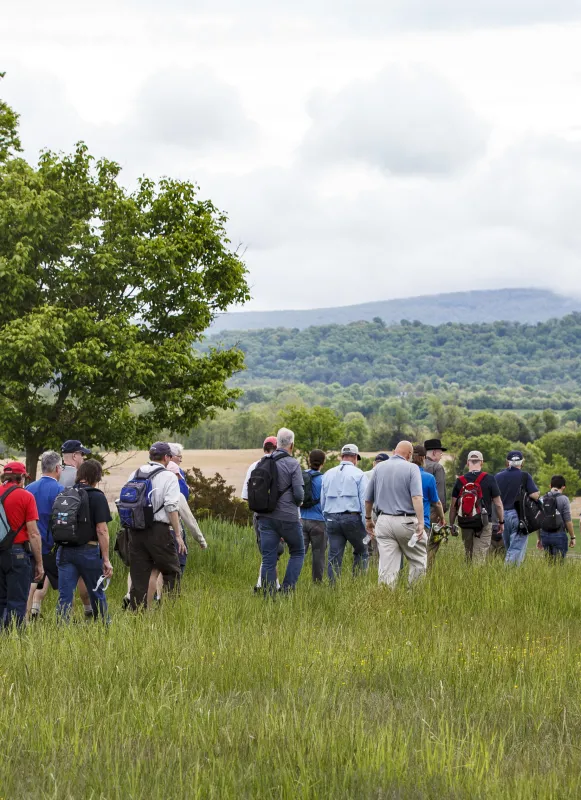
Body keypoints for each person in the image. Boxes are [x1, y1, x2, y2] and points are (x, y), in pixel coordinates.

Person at [128, 442, 185, 609]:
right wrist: (178, 534)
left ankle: (137, 614)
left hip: (135, 530)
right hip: (158, 530)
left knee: (139, 575)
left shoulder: (135, 473)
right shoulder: (169, 476)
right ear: (167, 457)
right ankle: (169, 610)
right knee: (171, 570)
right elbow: (171, 507)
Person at [56, 459, 113, 621]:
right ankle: (104, 626)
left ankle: (61, 630)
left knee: (65, 596)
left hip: (64, 550)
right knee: (97, 592)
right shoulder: (97, 496)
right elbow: (101, 530)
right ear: (96, 477)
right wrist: (106, 559)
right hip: (88, 551)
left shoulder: (66, 492)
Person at [365, 441, 425, 588]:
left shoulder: (379, 468)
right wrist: (421, 522)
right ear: (410, 454)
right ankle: (414, 595)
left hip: (383, 520)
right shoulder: (412, 468)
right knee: (418, 559)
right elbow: (416, 497)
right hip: (406, 520)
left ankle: (386, 596)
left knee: (387, 565)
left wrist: (368, 519)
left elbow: (368, 498)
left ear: (394, 451)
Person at [255, 428, 305, 593]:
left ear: (277, 442)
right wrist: (300, 501)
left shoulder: (264, 461)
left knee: (268, 558)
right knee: (297, 551)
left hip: (264, 516)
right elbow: (298, 493)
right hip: (287, 516)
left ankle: (268, 594)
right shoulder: (293, 464)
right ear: (292, 444)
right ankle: (287, 590)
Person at [0, 462, 43, 629]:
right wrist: (39, 563)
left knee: (1, 599)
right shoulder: (26, 496)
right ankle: (14, 637)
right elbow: (33, 533)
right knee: (17, 600)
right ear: (22, 477)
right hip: (17, 553)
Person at [25, 451, 65, 619]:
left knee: (31, 581)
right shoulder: (61, 490)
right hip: (51, 544)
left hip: (28, 543)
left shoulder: (28, 489)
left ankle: (28, 614)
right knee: (40, 580)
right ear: (57, 468)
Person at [321, 444, 369, 583]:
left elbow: (322, 501)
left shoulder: (328, 474)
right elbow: (364, 501)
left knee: (334, 555)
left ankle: (333, 588)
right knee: (362, 550)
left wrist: (327, 520)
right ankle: (357, 584)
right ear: (355, 457)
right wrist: (367, 525)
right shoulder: (359, 474)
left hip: (331, 518)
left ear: (342, 457)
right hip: (352, 518)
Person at [242, 436, 284, 591]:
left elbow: (246, 496)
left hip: (258, 515)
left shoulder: (255, 466)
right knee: (273, 553)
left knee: (267, 552)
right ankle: (267, 585)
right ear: (277, 448)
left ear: (264, 448)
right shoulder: (280, 465)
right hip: (278, 514)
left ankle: (265, 584)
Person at [449, 450, 504, 563]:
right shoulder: (489, 479)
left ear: (468, 463)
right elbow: (498, 504)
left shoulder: (460, 481)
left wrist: (451, 524)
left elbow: (453, 506)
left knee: (468, 553)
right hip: (484, 522)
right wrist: (501, 522)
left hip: (465, 521)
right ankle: (476, 578)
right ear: (482, 462)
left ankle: (467, 578)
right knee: (480, 555)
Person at [60, 439, 94, 616]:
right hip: (78, 533)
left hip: (58, 532)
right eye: (81, 454)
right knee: (80, 574)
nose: (83, 457)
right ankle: (89, 610)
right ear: (74, 455)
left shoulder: (57, 473)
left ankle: (66, 614)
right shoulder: (78, 477)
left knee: (65, 580)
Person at [495, 450, 539, 566]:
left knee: (510, 547)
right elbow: (535, 495)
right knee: (516, 549)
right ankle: (507, 577)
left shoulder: (498, 477)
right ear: (522, 461)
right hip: (519, 516)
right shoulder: (525, 476)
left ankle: (514, 576)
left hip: (502, 516)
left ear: (507, 462)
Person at [300, 449, 327, 583]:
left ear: (309, 461)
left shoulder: (301, 476)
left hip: (302, 519)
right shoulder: (324, 479)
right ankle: (317, 582)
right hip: (319, 521)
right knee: (318, 554)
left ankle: (293, 580)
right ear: (323, 462)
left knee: (298, 553)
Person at [536, 475, 575, 560]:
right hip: (559, 534)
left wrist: (539, 538)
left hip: (544, 535)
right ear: (563, 487)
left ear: (550, 485)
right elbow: (568, 520)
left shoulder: (542, 499)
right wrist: (572, 537)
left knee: (549, 564)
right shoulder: (564, 499)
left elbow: (538, 521)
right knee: (559, 564)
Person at [424, 438, 448, 567]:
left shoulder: (414, 466)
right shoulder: (437, 467)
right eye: (440, 452)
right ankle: (427, 573)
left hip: (413, 512)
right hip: (433, 513)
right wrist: (441, 514)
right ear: (433, 453)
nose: (441, 455)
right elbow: (440, 495)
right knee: (432, 545)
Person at [412, 445, 445, 534]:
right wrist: (442, 518)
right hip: (422, 522)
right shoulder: (429, 477)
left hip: (402, 522)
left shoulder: (402, 475)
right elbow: (437, 502)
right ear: (423, 458)